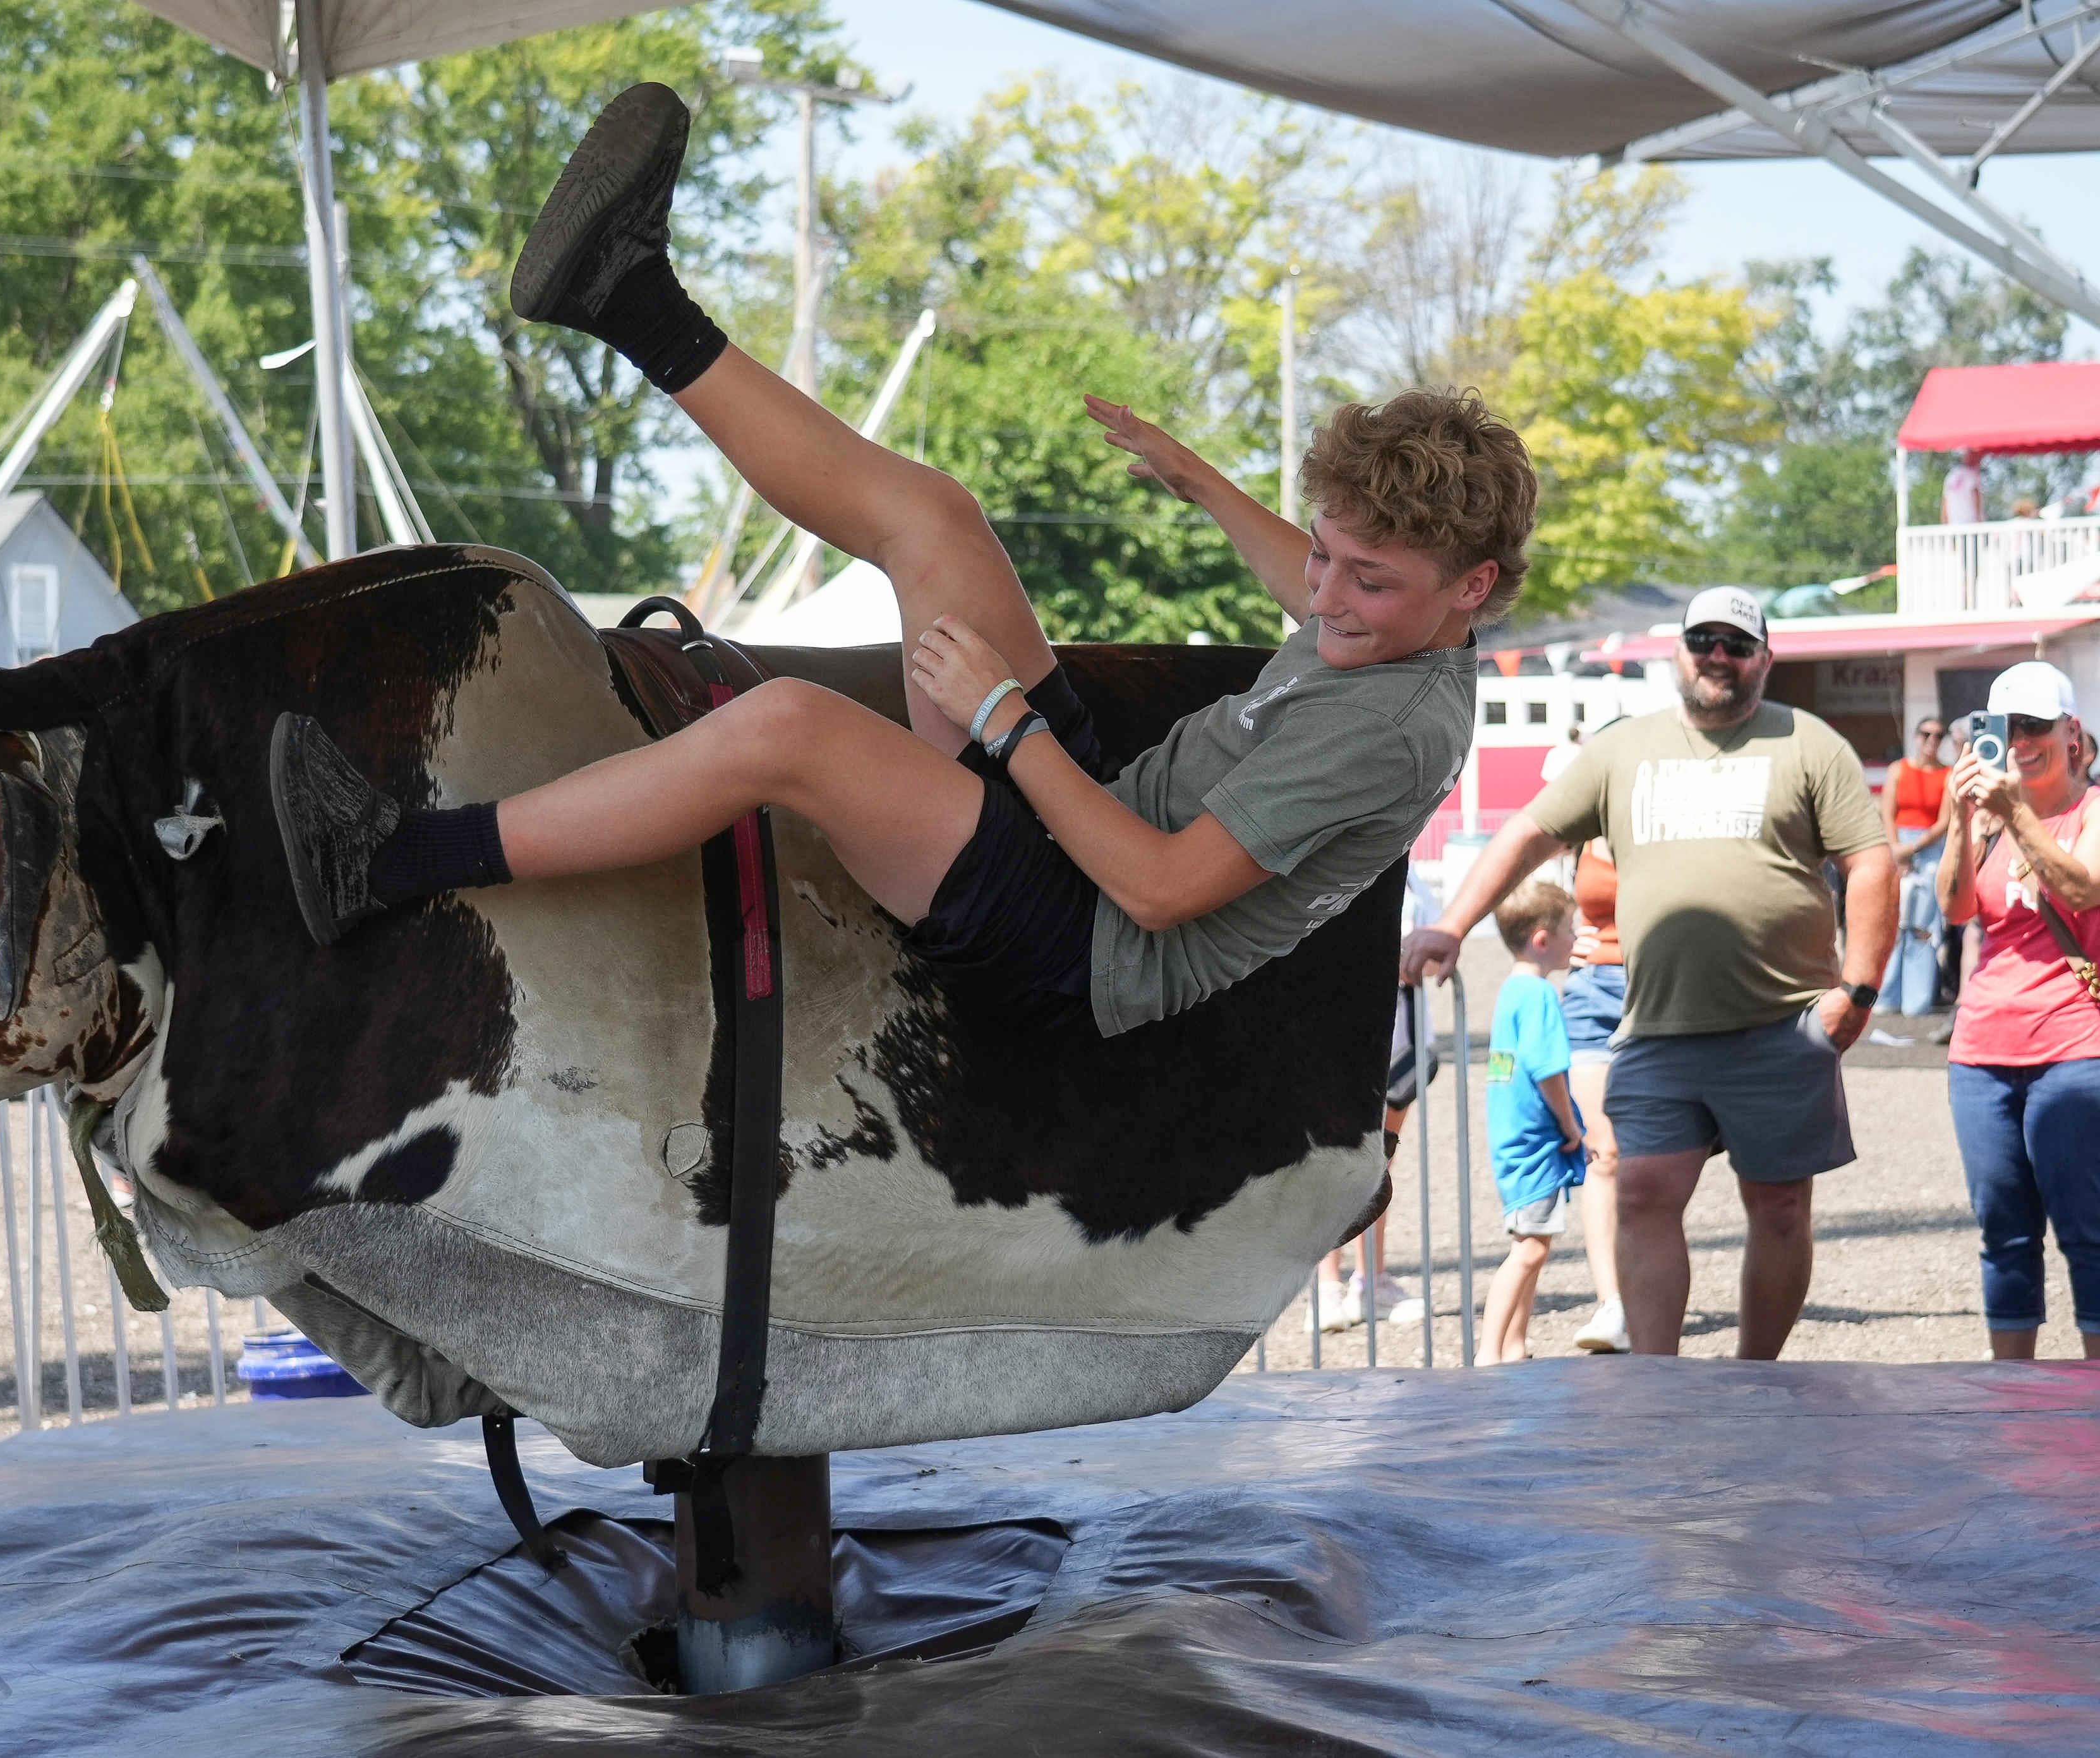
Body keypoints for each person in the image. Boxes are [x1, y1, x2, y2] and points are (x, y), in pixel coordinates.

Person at [268, 84, 1528, 1046]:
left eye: (1367, 581)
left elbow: (1153, 892)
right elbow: (1303, 574)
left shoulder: (1396, 721)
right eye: (1325, 555)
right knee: (933, 512)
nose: (1325, 597)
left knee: (791, 729)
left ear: (1471, 588)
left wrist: (1001, 714)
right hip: (1081, 806)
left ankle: (383, 856)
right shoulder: (1385, 614)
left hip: (1083, 943)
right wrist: (1199, 479)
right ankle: (627, 296)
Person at [1404, 588, 1895, 1359]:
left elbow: (1868, 863)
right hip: (1658, 1028)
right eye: (1702, 639)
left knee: (1777, 1211)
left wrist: (1857, 994)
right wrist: (1450, 924)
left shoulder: (1808, 744)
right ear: (1677, 651)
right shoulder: (1621, 750)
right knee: (1640, 1196)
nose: (1717, 656)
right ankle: (1657, 1385)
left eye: (1736, 644)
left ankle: (1752, 1377)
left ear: (1763, 658)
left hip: (1781, 1024)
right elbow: (1528, 832)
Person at [1933, 662, 2100, 1361]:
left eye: (2034, 726)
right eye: (2003, 728)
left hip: (2073, 1041)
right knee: (2000, 1227)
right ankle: (2009, 1392)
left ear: (2071, 734)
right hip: (1979, 1048)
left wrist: (2016, 815)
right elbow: (1954, 906)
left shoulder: (2088, 810)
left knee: (2086, 1227)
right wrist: (1959, 818)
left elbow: (2083, 889)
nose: (2019, 741)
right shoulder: (1986, 809)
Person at [1317, 864, 1434, 1332]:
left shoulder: (1402, 869)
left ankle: (1357, 1282)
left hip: (1386, 1034)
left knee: (1365, 1164)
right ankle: (1348, 1284)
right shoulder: (1369, 862)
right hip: (1369, 1035)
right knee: (1356, 1163)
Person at [1475, 877, 1586, 1365]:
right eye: (1570, 929)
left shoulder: (1512, 992)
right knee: (1531, 1248)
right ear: (1543, 939)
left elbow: (1507, 1068)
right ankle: (1490, 1352)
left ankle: (1514, 1345)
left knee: (1534, 1242)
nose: (1576, 939)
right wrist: (1571, 1125)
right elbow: (1547, 1069)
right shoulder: (1539, 996)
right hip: (1537, 1141)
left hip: (1513, 1135)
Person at [1561, 832, 1629, 1352]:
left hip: (1663, 984)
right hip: (1592, 988)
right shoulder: (1584, 822)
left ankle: (1648, 1286)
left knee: (1656, 1157)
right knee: (1603, 1154)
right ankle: (1613, 1305)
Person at [1881, 716, 1953, 1018]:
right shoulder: (1898, 769)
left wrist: (1914, 847)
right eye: (1926, 734)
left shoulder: (1948, 774)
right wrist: (1897, 848)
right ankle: (1887, 996)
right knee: (1894, 925)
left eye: (1938, 735)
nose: (1932, 741)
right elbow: (1887, 812)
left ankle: (1917, 1001)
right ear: (1916, 736)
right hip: (1899, 845)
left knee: (1922, 928)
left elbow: (1945, 820)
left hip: (1929, 847)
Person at [1941, 451, 1983, 526]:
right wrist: (1980, 522)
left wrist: (1945, 525)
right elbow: (1977, 500)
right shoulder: (1972, 474)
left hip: (1953, 525)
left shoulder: (1951, 475)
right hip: (1971, 524)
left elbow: (1945, 503)